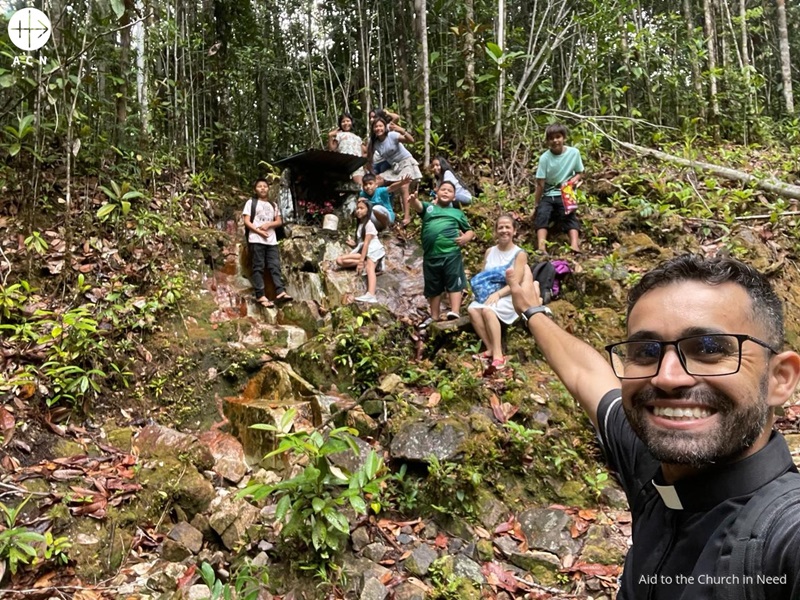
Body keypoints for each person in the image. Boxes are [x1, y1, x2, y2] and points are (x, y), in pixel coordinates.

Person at [506, 254, 800, 600]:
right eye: (645, 351)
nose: (666, 377)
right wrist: (533, 311)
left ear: (779, 379)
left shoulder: (785, 533)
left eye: (708, 349)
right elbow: (585, 374)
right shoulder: (652, 461)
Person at [467, 215, 528, 372]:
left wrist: (499, 294)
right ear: (495, 231)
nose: (504, 230)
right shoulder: (489, 252)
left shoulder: (519, 254)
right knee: (472, 309)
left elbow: (518, 281)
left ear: (514, 231)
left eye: (508, 227)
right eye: (500, 227)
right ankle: (490, 348)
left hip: (508, 295)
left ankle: (498, 355)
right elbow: (483, 276)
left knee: (488, 310)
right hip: (489, 294)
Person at [409, 181, 475, 327]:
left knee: (454, 281)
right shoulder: (429, 208)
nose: (445, 192)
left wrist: (466, 237)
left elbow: (470, 230)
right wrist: (413, 201)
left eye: (449, 191)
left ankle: (455, 311)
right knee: (433, 286)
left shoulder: (456, 213)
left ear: (453, 197)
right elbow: (419, 206)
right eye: (443, 189)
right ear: (437, 192)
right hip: (431, 255)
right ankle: (434, 315)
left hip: (451, 253)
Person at [532, 123, 584, 253]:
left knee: (570, 215)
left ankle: (574, 245)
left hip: (566, 191)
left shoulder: (574, 153)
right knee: (542, 214)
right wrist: (537, 204)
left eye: (558, 137)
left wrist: (572, 181)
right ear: (547, 141)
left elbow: (580, 172)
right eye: (551, 138)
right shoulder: (544, 158)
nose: (555, 141)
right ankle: (541, 247)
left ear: (564, 138)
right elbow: (540, 183)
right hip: (549, 193)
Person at [242, 178, 293, 308]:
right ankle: (260, 295)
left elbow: (279, 221)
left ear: (268, 188)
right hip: (256, 239)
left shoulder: (273, 205)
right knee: (258, 266)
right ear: (255, 189)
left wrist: (268, 225)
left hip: (271, 240)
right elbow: (247, 221)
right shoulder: (251, 203)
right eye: (259, 186)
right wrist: (259, 232)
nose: (263, 188)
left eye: (265, 186)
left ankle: (280, 291)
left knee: (275, 266)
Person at [366, 117, 422, 227]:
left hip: (405, 162)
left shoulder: (392, 135)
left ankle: (407, 217)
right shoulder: (375, 143)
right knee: (377, 180)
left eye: (380, 126)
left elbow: (411, 141)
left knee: (404, 185)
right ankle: (378, 207)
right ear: (373, 129)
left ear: (385, 127)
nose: (378, 128)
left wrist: (401, 130)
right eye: (376, 126)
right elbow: (369, 158)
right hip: (394, 167)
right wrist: (370, 171)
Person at [336, 198, 385, 304]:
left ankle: (371, 294)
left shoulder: (369, 224)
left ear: (368, 210)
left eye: (362, 208)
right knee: (339, 260)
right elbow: (362, 242)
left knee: (369, 268)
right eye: (357, 208)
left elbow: (367, 243)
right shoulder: (360, 224)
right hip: (365, 252)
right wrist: (354, 244)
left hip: (373, 250)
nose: (358, 211)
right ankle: (365, 262)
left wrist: (361, 262)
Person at [328, 112, 365, 185]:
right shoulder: (339, 135)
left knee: (359, 185)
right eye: (343, 121)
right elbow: (332, 149)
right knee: (344, 186)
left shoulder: (357, 138)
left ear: (351, 122)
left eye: (348, 121)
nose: (346, 123)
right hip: (344, 164)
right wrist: (330, 136)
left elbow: (363, 152)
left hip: (357, 164)